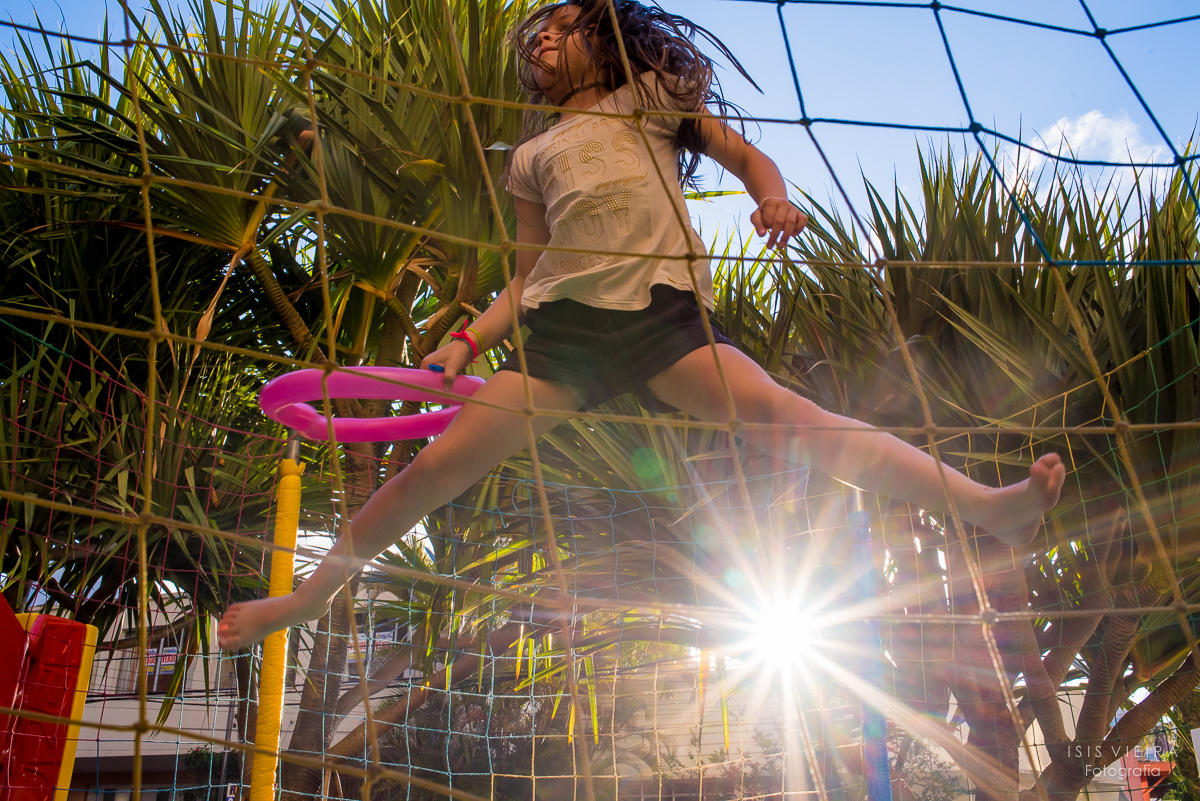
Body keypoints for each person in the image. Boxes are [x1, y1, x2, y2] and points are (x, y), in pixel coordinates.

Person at [218, 0, 1064, 651]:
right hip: (560, 342)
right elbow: (526, 274)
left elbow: (745, 157)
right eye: (534, 42)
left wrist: (771, 194)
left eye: (559, 29)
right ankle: (304, 600)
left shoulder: (654, 96)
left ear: (602, 32)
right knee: (428, 476)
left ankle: (989, 508)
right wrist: (471, 339)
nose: (542, 44)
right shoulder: (531, 155)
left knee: (791, 421)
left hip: (664, 318)